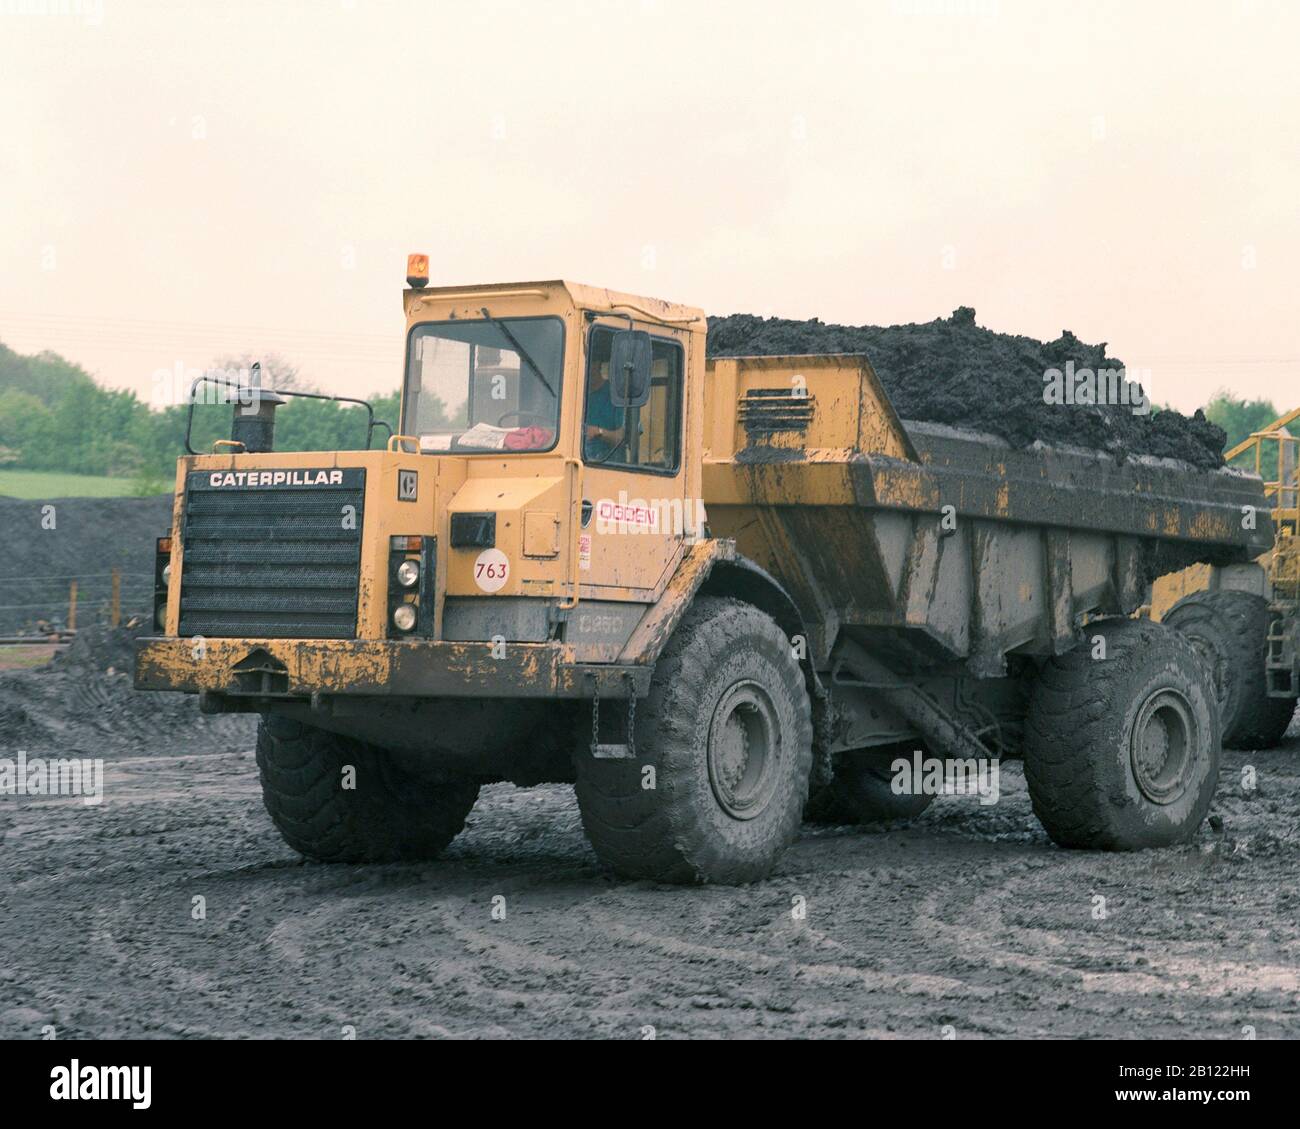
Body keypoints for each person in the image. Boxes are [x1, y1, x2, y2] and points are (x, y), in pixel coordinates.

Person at [584, 360, 626, 461]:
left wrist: (598, 432)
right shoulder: (574, 394)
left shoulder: (617, 395)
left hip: (608, 467)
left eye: (588, 362)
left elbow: (624, 437)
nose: (586, 368)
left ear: (598, 364)